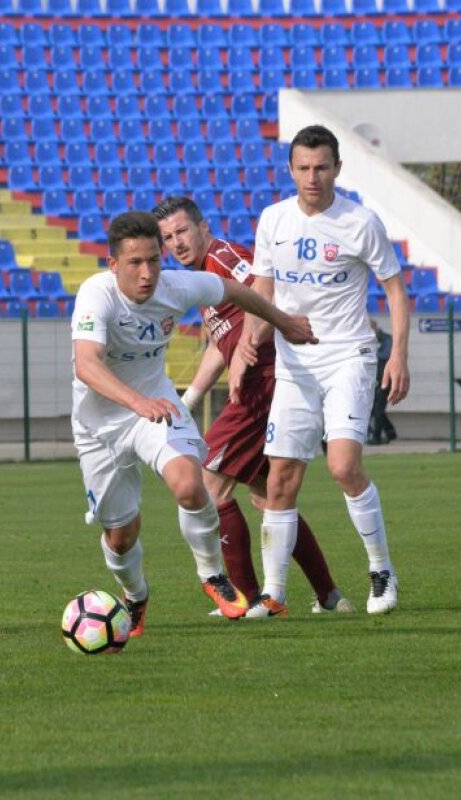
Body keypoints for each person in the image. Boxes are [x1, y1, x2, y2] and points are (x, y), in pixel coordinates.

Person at [71, 211, 317, 636]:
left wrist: (286, 323)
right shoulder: (97, 295)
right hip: (101, 427)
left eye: (154, 260)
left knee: (190, 484)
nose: (147, 273)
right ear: (113, 265)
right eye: (134, 263)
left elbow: (241, 291)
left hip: (156, 408)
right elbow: (86, 364)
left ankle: (212, 574)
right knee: (120, 537)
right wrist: (136, 401)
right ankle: (136, 594)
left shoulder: (177, 286)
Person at [230, 124, 410, 617]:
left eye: (322, 167)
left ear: (337, 169)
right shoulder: (273, 220)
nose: (313, 177)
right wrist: (250, 341)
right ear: (291, 170)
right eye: (304, 168)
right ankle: (275, 593)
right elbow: (262, 291)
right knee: (280, 480)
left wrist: (398, 355)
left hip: (348, 355)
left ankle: (381, 571)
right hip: (294, 364)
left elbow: (394, 289)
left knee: (342, 466)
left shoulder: (360, 222)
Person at [153, 195, 353, 615]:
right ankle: (329, 597)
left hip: (265, 380)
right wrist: (189, 398)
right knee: (268, 498)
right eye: (169, 237)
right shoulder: (205, 281)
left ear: (203, 227)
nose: (177, 242)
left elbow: (268, 291)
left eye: (182, 231)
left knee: (209, 481)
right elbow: (219, 346)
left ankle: (242, 600)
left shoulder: (224, 257)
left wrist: (251, 340)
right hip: (261, 384)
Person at [367, 318, 397, 445]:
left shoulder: (386, 339)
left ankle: (377, 437)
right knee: (374, 409)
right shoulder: (368, 342)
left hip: (385, 379)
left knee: (378, 409)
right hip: (374, 379)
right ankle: (390, 431)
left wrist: (370, 350)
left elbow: (385, 355)